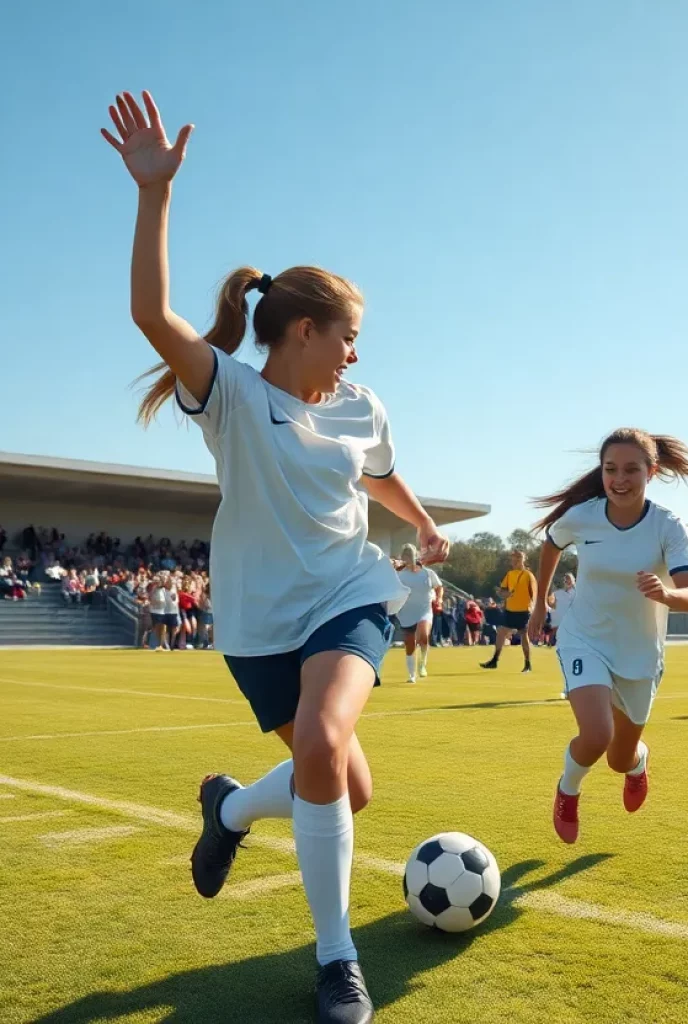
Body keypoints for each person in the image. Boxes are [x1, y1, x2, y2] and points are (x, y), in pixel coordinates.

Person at [102, 91, 449, 1023]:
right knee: (345, 785)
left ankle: (336, 961)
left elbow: (380, 473)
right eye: (347, 335)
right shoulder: (231, 396)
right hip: (261, 619)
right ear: (303, 330)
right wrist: (154, 195)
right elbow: (149, 313)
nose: (355, 352)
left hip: (350, 591)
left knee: (327, 745)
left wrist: (417, 524)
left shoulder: (362, 404)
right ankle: (228, 811)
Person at [527, 428, 688, 843]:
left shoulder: (667, 526)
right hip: (584, 638)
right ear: (601, 472)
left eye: (631, 470)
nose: (619, 479)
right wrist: (540, 604)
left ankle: (638, 764)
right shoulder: (582, 516)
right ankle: (567, 792)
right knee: (596, 734)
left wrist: (667, 594)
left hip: (639, 655)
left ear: (651, 472)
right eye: (610, 470)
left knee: (618, 757)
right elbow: (551, 545)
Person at [480, 550, 537, 673]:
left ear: (523, 559)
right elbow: (502, 591)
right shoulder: (510, 574)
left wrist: (533, 609)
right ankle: (495, 660)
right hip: (510, 610)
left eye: (518, 558)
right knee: (501, 632)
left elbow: (534, 594)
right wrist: (505, 594)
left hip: (524, 610)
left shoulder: (528, 575)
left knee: (523, 635)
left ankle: (527, 664)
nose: (515, 560)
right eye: (513, 558)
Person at [394, 544, 442, 682]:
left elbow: (439, 587)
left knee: (424, 635)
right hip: (406, 611)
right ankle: (411, 675)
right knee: (410, 643)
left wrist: (439, 598)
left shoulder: (427, 573)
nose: (407, 560)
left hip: (424, 609)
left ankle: (422, 664)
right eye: (405, 557)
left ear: (415, 557)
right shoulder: (399, 575)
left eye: (409, 556)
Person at [547, 573, 576, 646]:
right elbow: (553, 603)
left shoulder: (576, 592)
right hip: (559, 617)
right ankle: (552, 644)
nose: (566, 581)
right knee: (556, 633)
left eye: (568, 579)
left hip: (571, 617)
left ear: (573, 580)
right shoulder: (560, 592)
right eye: (565, 580)